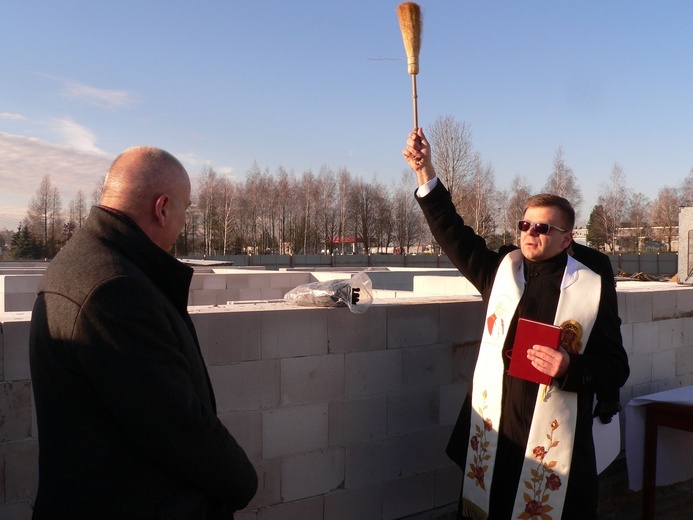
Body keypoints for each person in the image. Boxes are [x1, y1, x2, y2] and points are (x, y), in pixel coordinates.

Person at [403, 128, 629, 519]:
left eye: (542, 228)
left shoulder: (590, 288)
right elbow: (453, 233)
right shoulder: (502, 272)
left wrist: (569, 367)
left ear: (566, 238)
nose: (530, 233)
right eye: (524, 225)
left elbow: (616, 368)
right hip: (497, 437)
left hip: (552, 446)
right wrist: (425, 172)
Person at [29, 146, 258, 519]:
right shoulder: (116, 289)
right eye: (186, 207)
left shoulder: (85, 262)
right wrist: (244, 482)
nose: (185, 220)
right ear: (162, 207)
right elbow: (176, 427)